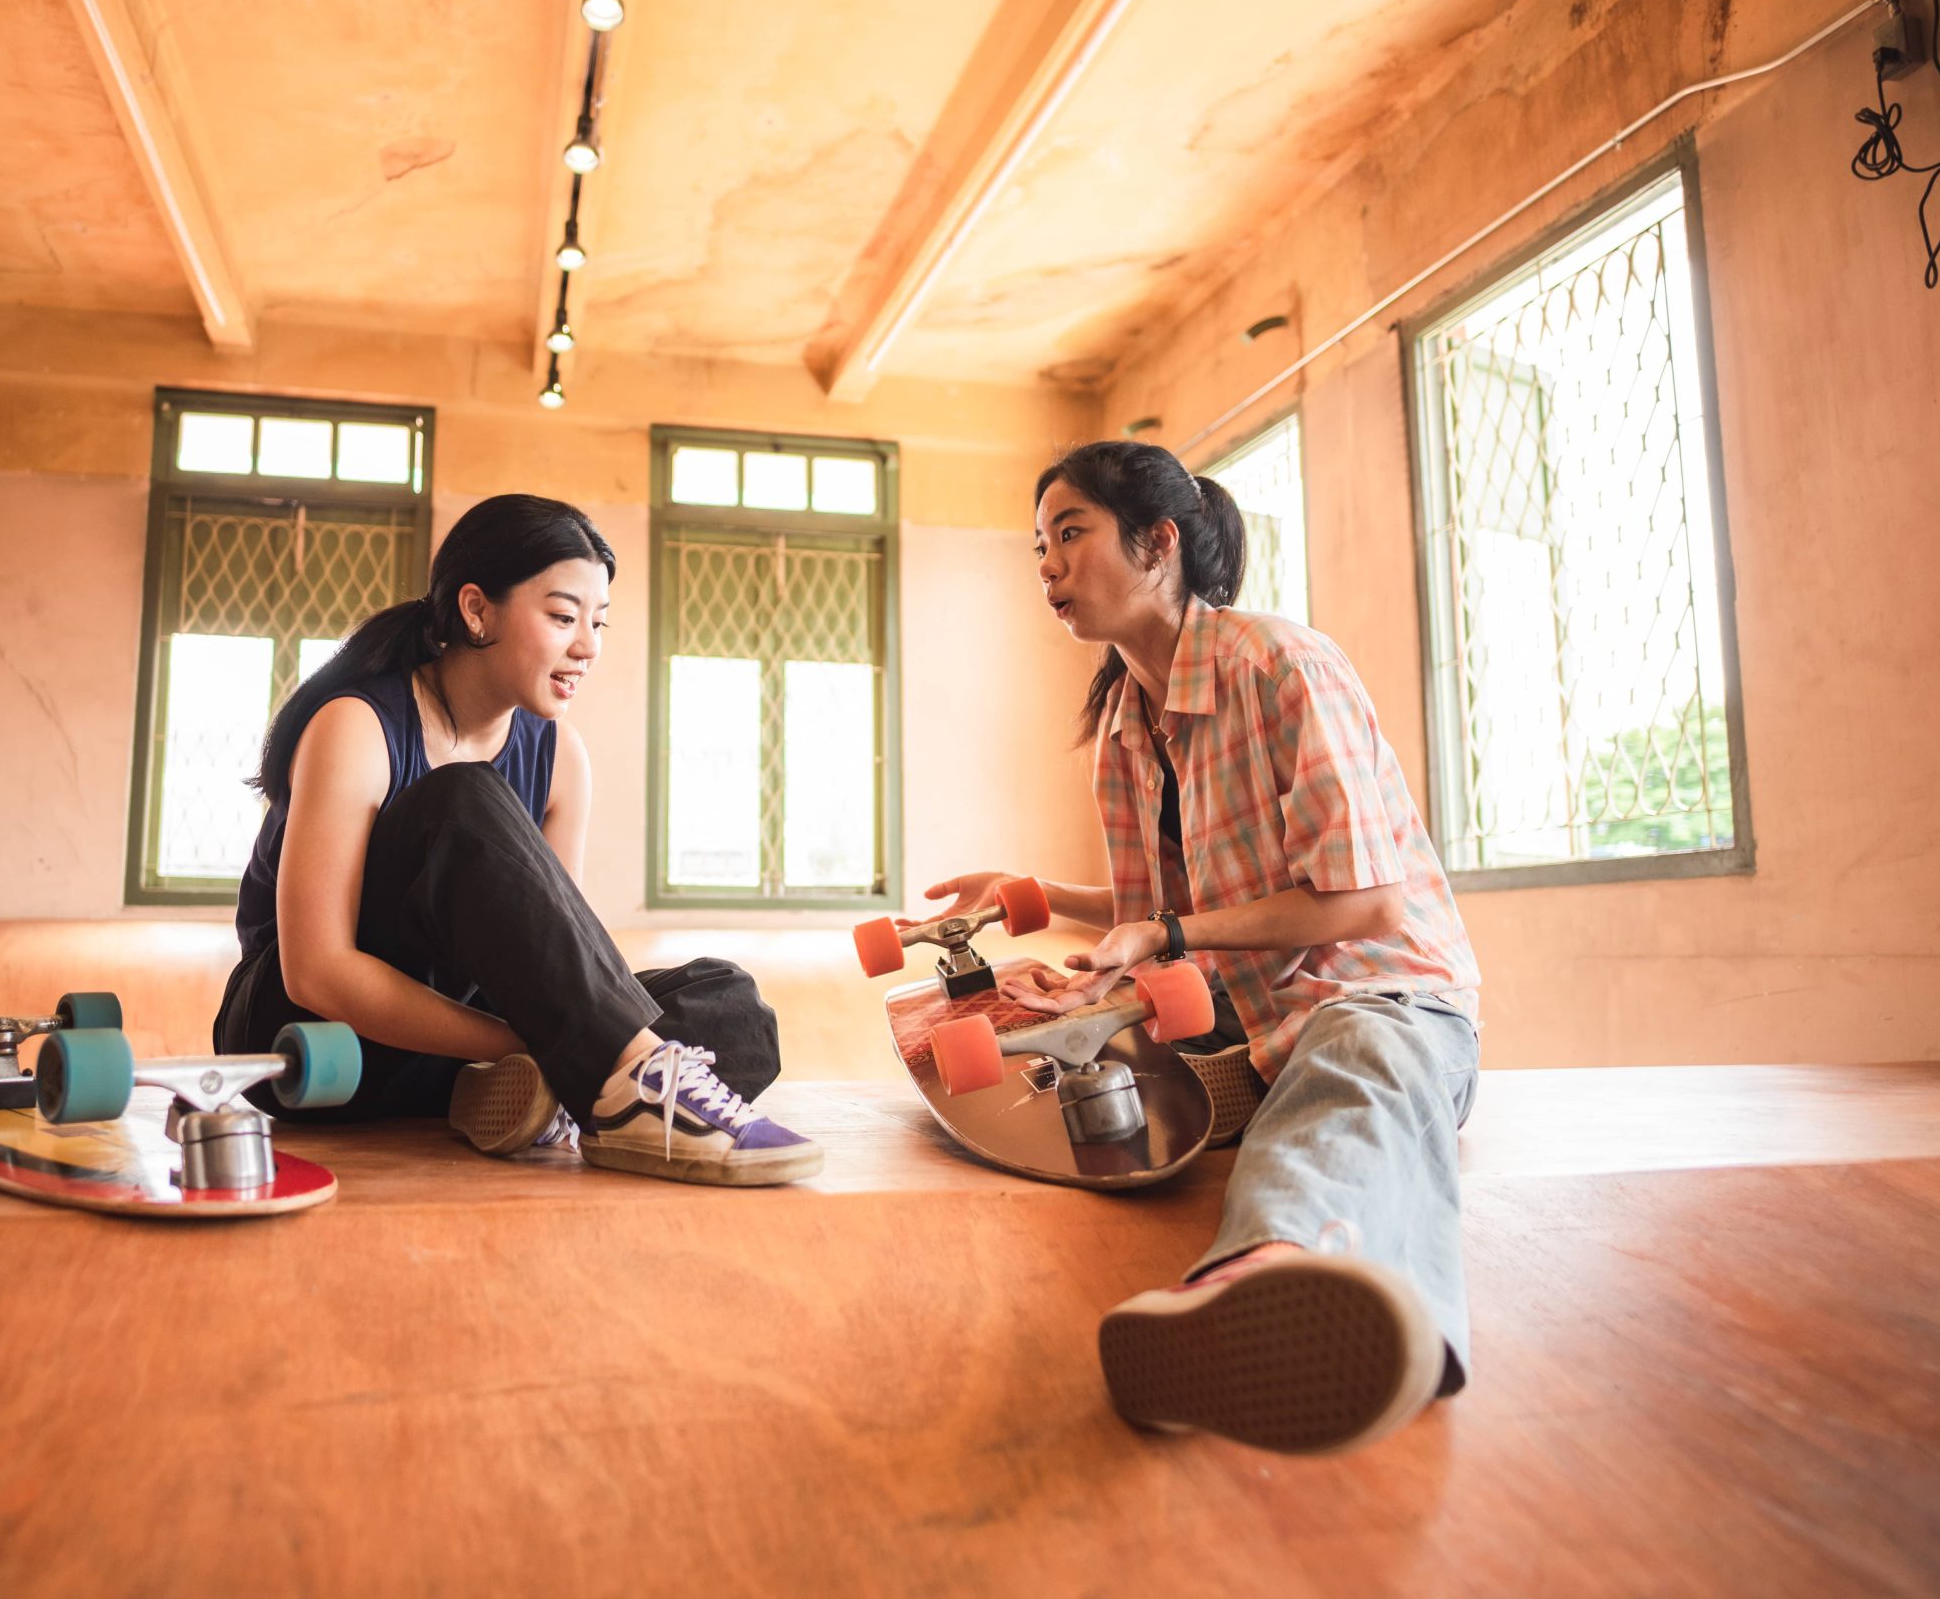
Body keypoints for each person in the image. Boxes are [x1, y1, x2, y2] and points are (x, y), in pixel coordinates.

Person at [923, 440, 1482, 1454]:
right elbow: (1160, 914)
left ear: (1158, 542)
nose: (1046, 564)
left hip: (1386, 1000)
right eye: (1038, 545)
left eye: (1070, 533)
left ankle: (1267, 1280)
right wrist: (1042, 904)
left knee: (1353, 1061)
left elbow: (1363, 904)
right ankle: (1284, 1314)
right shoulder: (1125, 732)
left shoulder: (1282, 664)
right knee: (1085, 1080)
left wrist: (1166, 932)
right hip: (1247, 1029)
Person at [213, 493, 819, 1187]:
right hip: (314, 1042)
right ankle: (594, 1086)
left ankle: (546, 1088)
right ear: (476, 610)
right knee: (464, 797)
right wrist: (549, 1041)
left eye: (598, 622)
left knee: (733, 1006)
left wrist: (570, 1034)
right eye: (563, 617)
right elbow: (316, 971)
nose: (587, 646)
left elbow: (556, 959)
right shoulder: (357, 724)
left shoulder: (561, 756)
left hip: (458, 1052)